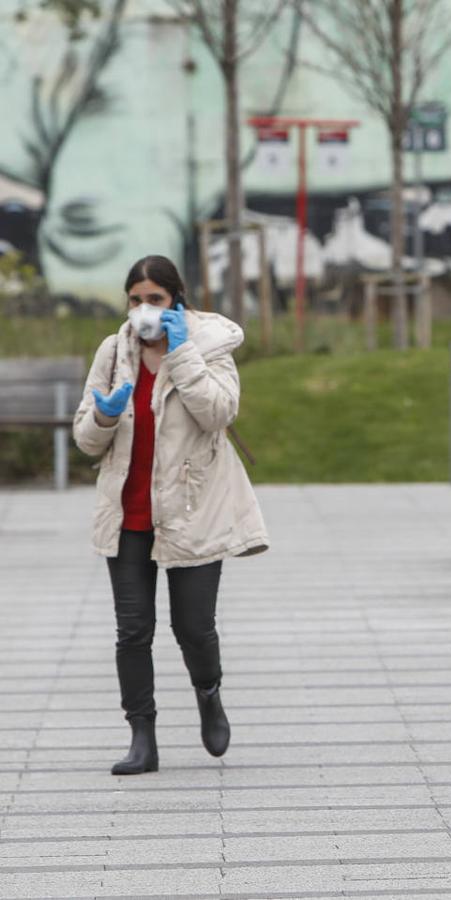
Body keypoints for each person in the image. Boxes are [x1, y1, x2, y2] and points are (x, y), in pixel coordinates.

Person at [72, 255, 269, 776]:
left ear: (176, 300)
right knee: (132, 632)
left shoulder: (209, 345)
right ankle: (142, 736)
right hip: (128, 512)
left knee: (194, 627)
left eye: (154, 299)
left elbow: (220, 413)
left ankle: (209, 694)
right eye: (135, 300)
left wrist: (181, 352)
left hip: (192, 509)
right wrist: (105, 415)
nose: (143, 310)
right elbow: (85, 440)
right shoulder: (115, 351)